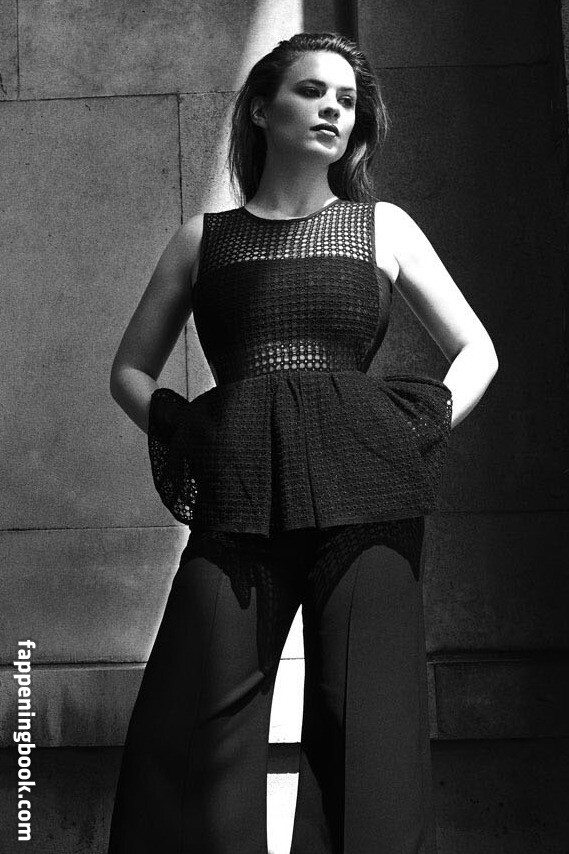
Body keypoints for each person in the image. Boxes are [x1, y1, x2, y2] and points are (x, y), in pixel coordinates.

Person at [107, 31, 498, 854]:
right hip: (242, 495)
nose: (333, 110)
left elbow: (477, 350)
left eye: (346, 101)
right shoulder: (202, 239)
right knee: (189, 726)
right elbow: (129, 372)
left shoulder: (380, 227)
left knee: (370, 732)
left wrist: (414, 430)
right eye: (312, 91)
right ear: (261, 108)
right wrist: (188, 434)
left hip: (369, 500)